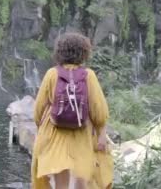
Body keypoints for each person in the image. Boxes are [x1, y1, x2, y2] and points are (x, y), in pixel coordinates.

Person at [31, 33, 112, 189]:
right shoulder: (89, 75)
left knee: (60, 176)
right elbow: (99, 109)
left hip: (55, 132)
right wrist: (101, 132)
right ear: (84, 52)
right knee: (82, 174)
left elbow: (39, 108)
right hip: (81, 132)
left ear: (60, 52)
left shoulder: (51, 74)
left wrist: (39, 129)